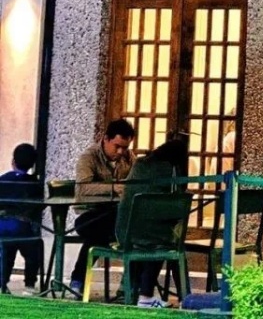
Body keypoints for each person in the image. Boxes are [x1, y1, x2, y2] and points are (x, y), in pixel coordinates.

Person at [116, 134, 188, 309]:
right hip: (148, 237)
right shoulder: (169, 170)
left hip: (124, 233)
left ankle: (130, 290)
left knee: (157, 238)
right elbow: (175, 207)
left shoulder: (140, 163)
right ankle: (150, 295)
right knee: (167, 243)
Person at [68, 118, 135, 298]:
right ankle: (126, 287)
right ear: (106, 139)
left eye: (125, 147)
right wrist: (114, 188)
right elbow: (83, 188)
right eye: (117, 146)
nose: (120, 152)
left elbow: (135, 181)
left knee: (133, 233)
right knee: (99, 232)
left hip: (116, 215)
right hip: (90, 214)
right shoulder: (89, 157)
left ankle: (78, 281)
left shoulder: (129, 157)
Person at [0, 144, 43, 293]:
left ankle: (2, 283)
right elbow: (38, 206)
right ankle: (29, 285)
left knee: (6, 254)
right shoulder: (34, 184)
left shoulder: (3, 180)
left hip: (3, 226)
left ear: (13, 161)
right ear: (32, 164)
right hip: (24, 228)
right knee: (33, 254)